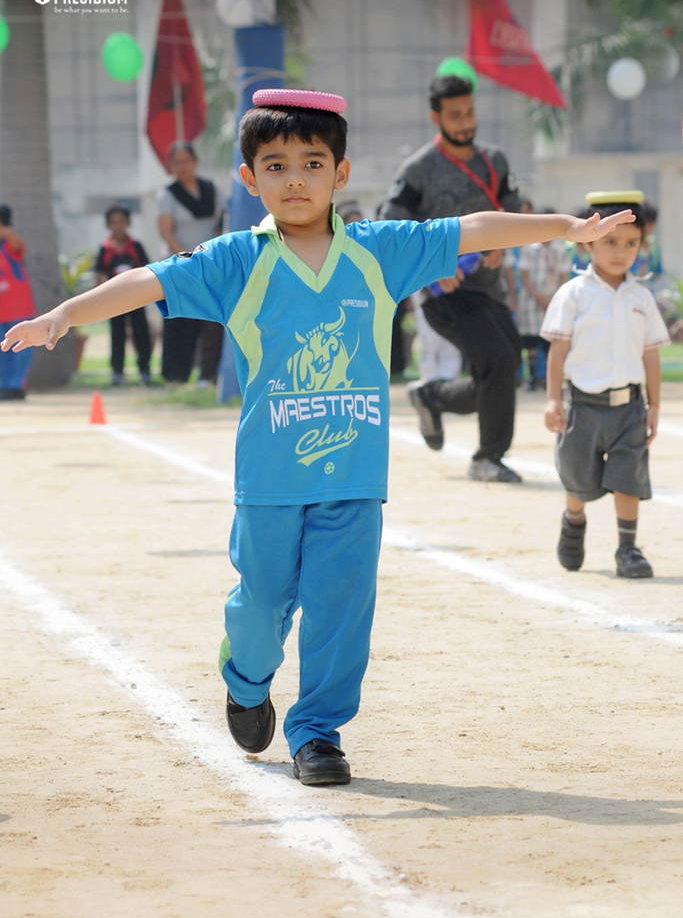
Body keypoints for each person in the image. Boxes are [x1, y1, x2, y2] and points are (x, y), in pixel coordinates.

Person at [1, 89, 634, 784]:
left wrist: (565, 227)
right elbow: (146, 283)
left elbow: (474, 228)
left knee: (340, 608)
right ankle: (246, 679)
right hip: (270, 481)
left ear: (341, 173)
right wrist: (62, 314)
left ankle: (317, 732)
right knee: (260, 606)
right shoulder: (234, 261)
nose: (295, 179)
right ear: (249, 179)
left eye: (312, 162)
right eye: (275, 166)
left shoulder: (378, 253)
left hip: (354, 479)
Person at [380, 73, 524, 482]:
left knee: (502, 369)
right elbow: (390, 229)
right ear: (436, 117)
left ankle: (432, 396)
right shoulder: (418, 170)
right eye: (455, 114)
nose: (465, 121)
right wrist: (429, 273)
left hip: (489, 289)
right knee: (497, 361)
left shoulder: (494, 161)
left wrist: (503, 243)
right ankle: (488, 458)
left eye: (470, 112)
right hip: (444, 293)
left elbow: (516, 210)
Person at [542, 191, 670, 579]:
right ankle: (574, 519)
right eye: (609, 242)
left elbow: (650, 356)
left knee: (629, 477)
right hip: (583, 406)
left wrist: (654, 406)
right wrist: (552, 400)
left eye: (631, 243)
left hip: (629, 408)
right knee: (579, 479)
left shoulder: (642, 297)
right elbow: (558, 352)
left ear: (642, 246)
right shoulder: (574, 295)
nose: (621, 252)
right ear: (588, 242)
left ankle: (627, 549)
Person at [157, 141, 227, 386]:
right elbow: (166, 231)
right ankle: (176, 375)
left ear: (195, 162)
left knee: (212, 321)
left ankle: (207, 374)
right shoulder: (168, 194)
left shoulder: (212, 189)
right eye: (177, 163)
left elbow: (221, 222)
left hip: (211, 264)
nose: (182, 167)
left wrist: (211, 256)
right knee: (180, 318)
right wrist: (187, 258)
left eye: (186, 161)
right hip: (181, 265)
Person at [95, 205, 152, 386]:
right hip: (114, 300)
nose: (118, 226)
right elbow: (100, 274)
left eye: (121, 222)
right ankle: (117, 372)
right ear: (107, 225)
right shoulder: (105, 249)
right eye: (113, 222)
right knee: (117, 335)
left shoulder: (135, 246)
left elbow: (147, 270)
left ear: (128, 223)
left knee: (141, 334)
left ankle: (144, 370)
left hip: (137, 298)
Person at [517, 210, 570, 390]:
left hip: (553, 298)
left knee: (550, 340)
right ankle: (532, 378)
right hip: (532, 298)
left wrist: (554, 296)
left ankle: (549, 379)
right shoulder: (529, 248)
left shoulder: (560, 250)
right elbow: (523, 275)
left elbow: (564, 275)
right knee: (531, 339)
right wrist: (538, 296)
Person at [0, 205, 35, 400]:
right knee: (2, 349)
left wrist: (6, 230)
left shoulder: (10, 244)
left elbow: (15, 243)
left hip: (18, 309)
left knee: (20, 348)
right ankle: (4, 384)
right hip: (1, 310)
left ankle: (17, 384)